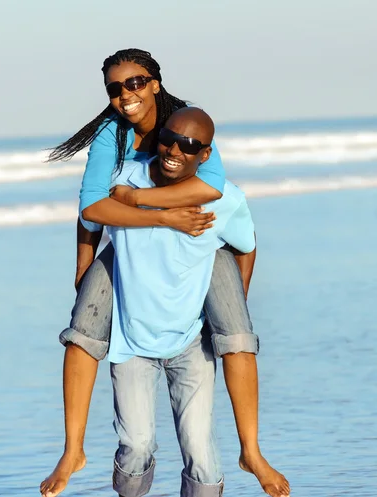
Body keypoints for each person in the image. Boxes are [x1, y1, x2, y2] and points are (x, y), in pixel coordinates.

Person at [40, 49, 288, 497]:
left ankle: (251, 450)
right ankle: (72, 449)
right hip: (132, 240)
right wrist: (92, 258)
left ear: (155, 82)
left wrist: (230, 308)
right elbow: (92, 208)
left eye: (134, 83)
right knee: (83, 326)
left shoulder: (185, 124)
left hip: (197, 247)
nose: (125, 95)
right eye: (115, 89)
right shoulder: (111, 139)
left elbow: (213, 191)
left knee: (235, 333)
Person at [106, 107, 277, 497]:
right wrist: (84, 269)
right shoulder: (123, 181)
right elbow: (90, 217)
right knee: (136, 445)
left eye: (189, 145)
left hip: (190, 342)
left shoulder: (225, 199)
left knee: (201, 453)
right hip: (131, 341)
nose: (174, 150)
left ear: (205, 154)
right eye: (169, 138)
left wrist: (234, 306)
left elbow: (246, 247)